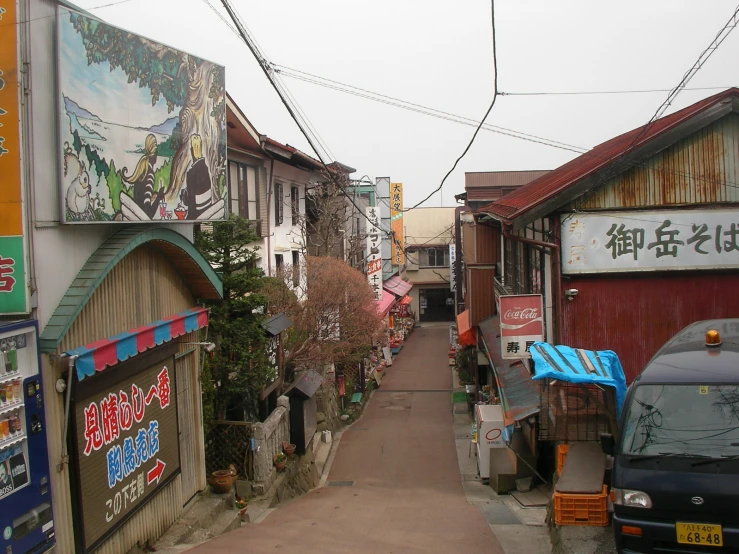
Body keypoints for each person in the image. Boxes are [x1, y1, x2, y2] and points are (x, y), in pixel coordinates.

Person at [122, 133, 164, 219]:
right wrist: (159, 197)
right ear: (155, 154)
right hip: (141, 217)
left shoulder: (142, 171)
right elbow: (149, 213)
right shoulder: (150, 175)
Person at [181, 134, 213, 220]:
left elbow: (192, 204)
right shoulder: (205, 167)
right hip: (208, 210)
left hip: (198, 213)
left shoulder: (191, 173)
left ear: (191, 150)